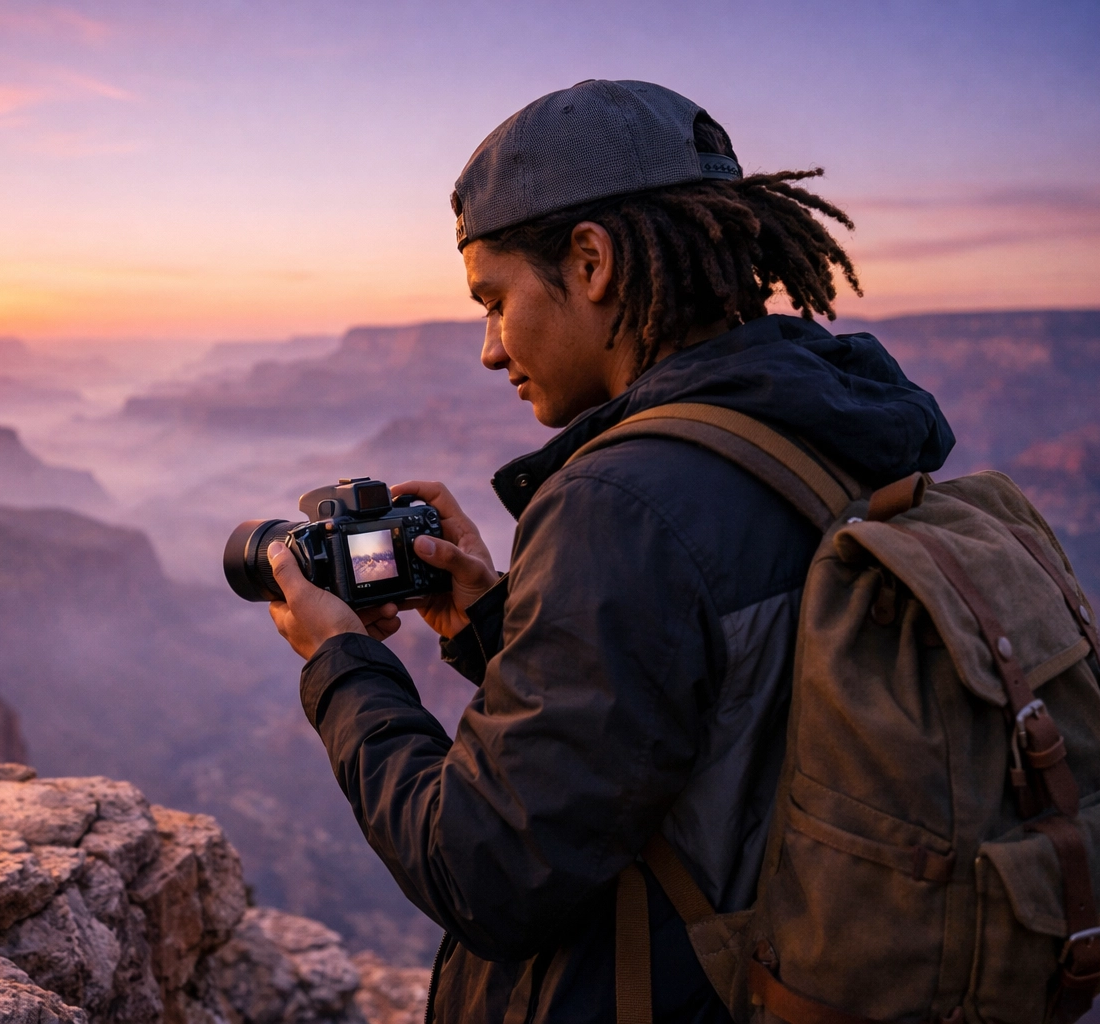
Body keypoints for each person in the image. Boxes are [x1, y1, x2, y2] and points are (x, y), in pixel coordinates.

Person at [264, 79, 954, 1023]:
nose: (489, 351)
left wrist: (343, 665)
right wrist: (497, 624)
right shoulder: (833, 426)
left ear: (590, 261)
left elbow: (484, 870)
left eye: (494, 300)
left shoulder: (622, 505)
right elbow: (719, 717)